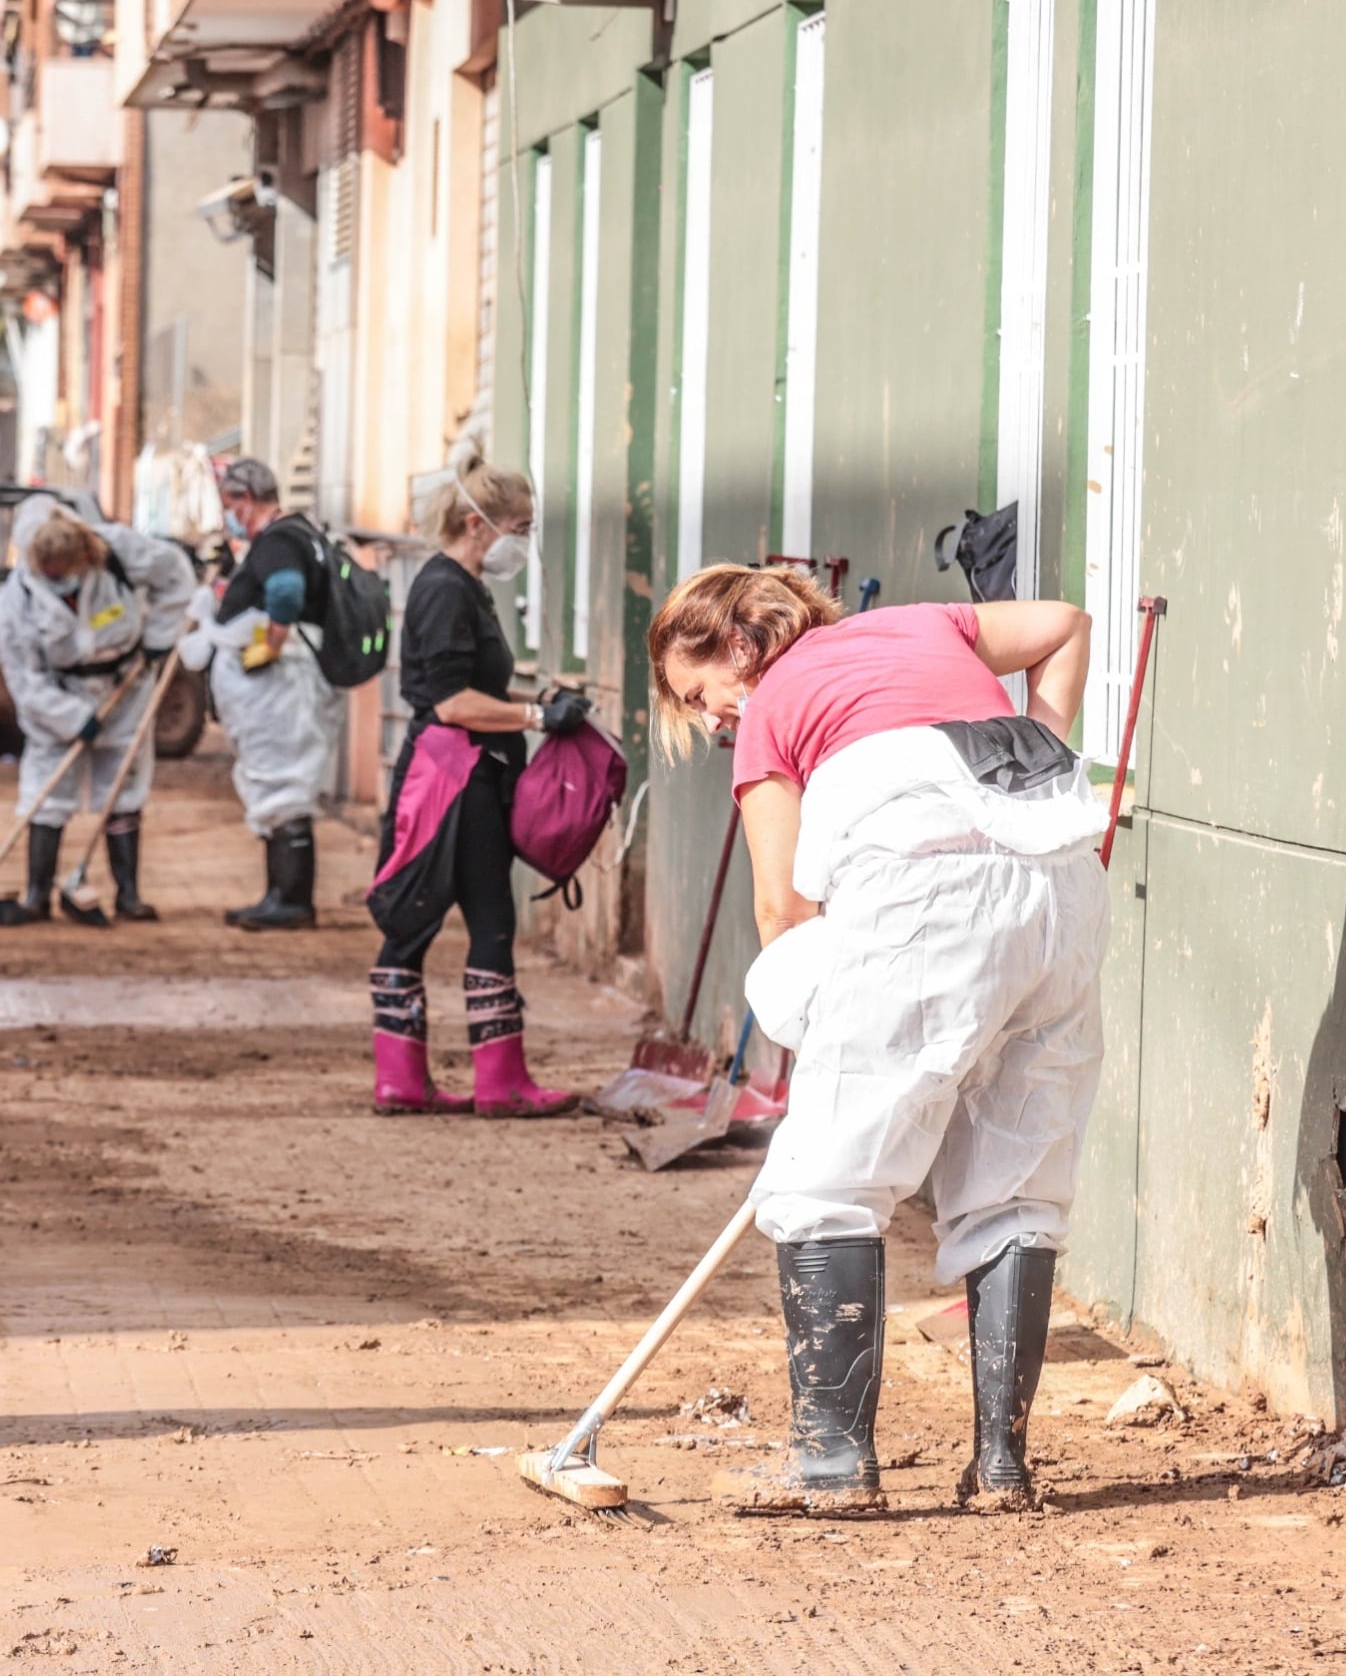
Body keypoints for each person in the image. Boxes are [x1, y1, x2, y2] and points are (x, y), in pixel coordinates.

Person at [649, 565, 1105, 1516]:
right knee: (1018, 1174)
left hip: (921, 888)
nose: (718, 718)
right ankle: (1001, 1467)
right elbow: (1065, 623)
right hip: (1056, 874)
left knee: (826, 1181)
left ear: (737, 643)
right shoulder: (920, 623)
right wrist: (1035, 756)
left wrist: (825, 1037)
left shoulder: (774, 706)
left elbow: (783, 908)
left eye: (703, 694)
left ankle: (831, 1466)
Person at [364, 457, 588, 1115]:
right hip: (453, 780)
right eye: (520, 527)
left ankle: (435, 1079)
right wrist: (535, 716)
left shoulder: (461, 586)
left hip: (469, 774)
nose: (524, 539)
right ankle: (492, 1082)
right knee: (448, 918)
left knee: (468, 917)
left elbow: (474, 686)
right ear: (476, 523)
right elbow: (451, 703)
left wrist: (536, 695)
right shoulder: (444, 590)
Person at [0, 498, 195, 920]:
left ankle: (128, 895)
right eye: (50, 575)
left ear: (84, 556)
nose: (59, 582)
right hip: (58, 696)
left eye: (66, 573)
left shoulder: (117, 550)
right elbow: (24, 681)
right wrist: (69, 717)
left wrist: (159, 638)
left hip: (126, 684)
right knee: (46, 791)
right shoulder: (14, 605)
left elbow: (175, 576)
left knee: (123, 785)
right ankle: (37, 894)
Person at [179, 456, 342, 930]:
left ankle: (291, 900)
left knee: (282, 783)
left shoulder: (279, 540)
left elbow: (286, 593)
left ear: (246, 500)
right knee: (276, 782)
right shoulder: (297, 535)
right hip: (283, 686)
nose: (228, 515)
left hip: (279, 689)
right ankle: (279, 894)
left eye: (230, 504)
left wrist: (269, 646)